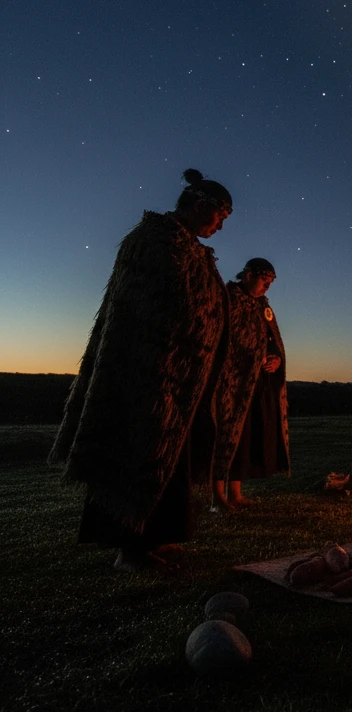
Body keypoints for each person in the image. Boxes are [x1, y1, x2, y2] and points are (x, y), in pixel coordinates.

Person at [49, 168, 232, 571]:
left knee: (169, 461)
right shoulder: (154, 241)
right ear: (201, 206)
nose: (220, 227)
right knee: (137, 453)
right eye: (219, 217)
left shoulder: (191, 248)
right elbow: (146, 308)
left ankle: (156, 537)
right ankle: (129, 549)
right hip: (145, 375)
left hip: (181, 381)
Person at [212, 258, 289, 511]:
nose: (267, 287)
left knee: (244, 437)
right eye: (263, 280)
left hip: (257, 382)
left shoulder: (263, 307)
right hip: (231, 382)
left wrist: (275, 358)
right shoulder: (227, 299)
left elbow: (270, 340)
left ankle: (236, 493)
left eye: (270, 283)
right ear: (247, 275)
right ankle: (217, 497)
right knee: (225, 435)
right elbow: (221, 338)